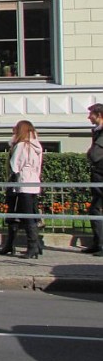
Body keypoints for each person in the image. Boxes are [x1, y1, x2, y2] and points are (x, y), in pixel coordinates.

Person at [0, 120, 44, 259]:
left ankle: (32, 247)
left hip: (22, 183)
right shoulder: (36, 145)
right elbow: (38, 166)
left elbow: (14, 165)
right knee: (29, 214)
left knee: (23, 215)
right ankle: (33, 245)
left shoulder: (21, 145)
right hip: (33, 182)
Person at [84, 103, 103, 255]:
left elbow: (95, 154)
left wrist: (90, 155)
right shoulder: (97, 131)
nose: (89, 117)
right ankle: (98, 243)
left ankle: (101, 245)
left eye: (91, 114)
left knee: (96, 209)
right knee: (95, 209)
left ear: (99, 115)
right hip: (98, 173)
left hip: (101, 173)